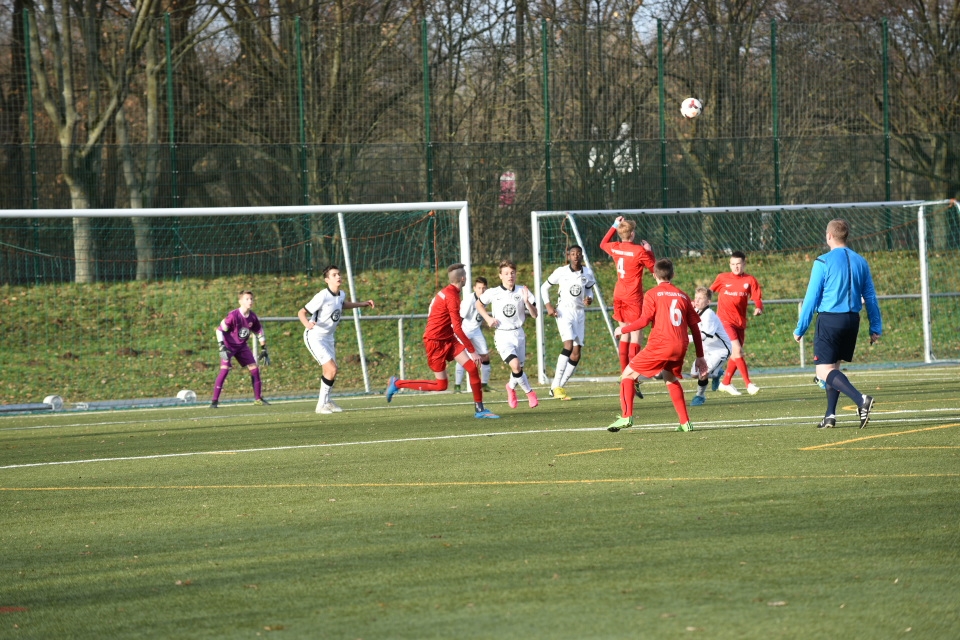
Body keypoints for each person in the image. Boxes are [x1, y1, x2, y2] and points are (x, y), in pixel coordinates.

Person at [794, 219, 881, 429]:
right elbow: (870, 296)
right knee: (834, 368)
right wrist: (875, 326)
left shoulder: (822, 261)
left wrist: (801, 328)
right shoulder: (861, 261)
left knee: (822, 372)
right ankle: (830, 415)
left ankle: (861, 400)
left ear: (829, 236)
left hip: (830, 320)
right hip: (852, 321)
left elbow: (811, 297)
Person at [385, 264, 499, 419]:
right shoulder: (452, 296)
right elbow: (458, 328)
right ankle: (397, 383)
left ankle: (480, 409)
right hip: (435, 342)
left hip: (448, 338)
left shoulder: (448, 292)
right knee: (441, 385)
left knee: (472, 368)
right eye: (466, 276)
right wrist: (472, 351)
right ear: (463, 279)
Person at [606, 259, 707, 433]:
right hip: (680, 345)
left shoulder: (652, 294)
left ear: (654, 275)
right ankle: (685, 422)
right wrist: (700, 356)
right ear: (673, 274)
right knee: (670, 378)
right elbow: (695, 329)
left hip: (661, 344)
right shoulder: (683, 296)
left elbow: (644, 320)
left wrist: (623, 329)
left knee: (628, 375)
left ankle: (626, 416)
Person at [299, 265, 375, 414]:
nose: (338, 277)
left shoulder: (341, 294)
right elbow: (301, 312)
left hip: (328, 338)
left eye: (339, 274)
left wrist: (363, 304)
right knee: (332, 368)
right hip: (315, 337)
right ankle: (321, 405)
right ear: (327, 280)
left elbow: (342, 304)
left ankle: (326, 401)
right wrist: (307, 324)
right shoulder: (322, 296)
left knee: (330, 371)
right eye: (334, 275)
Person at [476, 259, 539, 409]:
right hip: (503, 335)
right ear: (500, 276)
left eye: (512, 273)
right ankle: (530, 393)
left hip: (519, 333)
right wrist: (488, 318)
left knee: (518, 369)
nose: (510, 276)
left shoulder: (523, 291)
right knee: (515, 365)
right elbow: (478, 304)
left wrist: (526, 302)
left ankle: (510, 387)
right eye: (506, 273)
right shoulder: (493, 292)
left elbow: (535, 314)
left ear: (516, 274)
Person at [600, 216, 656, 374]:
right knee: (636, 335)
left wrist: (614, 225)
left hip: (618, 295)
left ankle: (623, 372)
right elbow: (655, 269)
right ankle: (633, 375)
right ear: (632, 234)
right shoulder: (639, 251)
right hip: (633, 297)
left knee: (624, 333)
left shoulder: (615, 247)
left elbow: (602, 243)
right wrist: (649, 251)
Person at [540, 245, 597, 400]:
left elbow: (589, 290)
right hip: (564, 311)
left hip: (579, 312)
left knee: (576, 353)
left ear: (581, 256)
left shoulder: (587, 273)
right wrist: (548, 306)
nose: (575, 256)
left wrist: (589, 298)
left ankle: (558, 387)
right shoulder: (561, 271)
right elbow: (544, 288)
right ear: (568, 256)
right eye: (572, 253)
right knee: (568, 345)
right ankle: (556, 385)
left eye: (578, 253)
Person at [709, 250, 764, 396]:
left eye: (738, 264)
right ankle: (749, 384)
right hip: (724, 321)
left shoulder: (750, 280)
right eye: (733, 264)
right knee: (738, 350)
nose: (736, 267)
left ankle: (725, 382)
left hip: (739, 322)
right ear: (729, 265)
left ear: (744, 264)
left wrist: (758, 307)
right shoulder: (722, 278)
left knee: (735, 354)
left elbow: (757, 297)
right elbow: (710, 291)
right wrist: (699, 302)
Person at [210, 290, 270, 408]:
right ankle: (214, 401)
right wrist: (221, 345)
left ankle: (258, 399)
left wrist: (264, 348)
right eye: (247, 299)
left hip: (242, 346)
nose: (250, 301)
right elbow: (219, 330)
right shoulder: (233, 315)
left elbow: (259, 331)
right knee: (224, 370)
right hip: (228, 346)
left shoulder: (253, 316)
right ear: (240, 301)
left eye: (251, 299)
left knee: (254, 369)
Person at [688, 287, 732, 406]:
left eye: (700, 298)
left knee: (703, 373)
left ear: (708, 302)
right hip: (707, 349)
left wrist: (684, 338)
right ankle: (716, 373)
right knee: (694, 375)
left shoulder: (709, 315)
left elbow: (703, 336)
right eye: (696, 298)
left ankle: (700, 396)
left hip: (721, 350)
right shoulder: (696, 311)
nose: (697, 300)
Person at [454, 276, 495, 394]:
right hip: (465, 330)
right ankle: (457, 386)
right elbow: (460, 317)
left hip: (476, 331)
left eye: (484, 288)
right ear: (474, 288)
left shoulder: (486, 298)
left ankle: (484, 384)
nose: (481, 290)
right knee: (462, 357)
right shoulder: (469, 300)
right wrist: (457, 333)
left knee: (485, 356)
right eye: (479, 288)